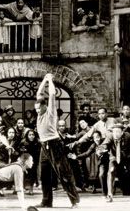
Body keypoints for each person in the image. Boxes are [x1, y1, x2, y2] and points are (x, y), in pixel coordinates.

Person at [34, 73, 79, 208]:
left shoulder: (50, 112)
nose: (37, 111)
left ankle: (74, 201)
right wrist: (44, 79)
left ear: (44, 106)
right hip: (44, 145)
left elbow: (52, 95)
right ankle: (46, 201)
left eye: (39, 108)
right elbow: (39, 92)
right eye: (36, 109)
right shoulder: (39, 111)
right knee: (44, 175)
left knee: (63, 173)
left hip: (54, 144)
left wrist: (50, 80)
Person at [19, 130, 41, 195]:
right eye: (30, 135)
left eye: (33, 135)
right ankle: (22, 187)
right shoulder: (23, 142)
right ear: (27, 135)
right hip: (25, 159)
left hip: (34, 160)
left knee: (33, 174)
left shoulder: (37, 142)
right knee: (24, 173)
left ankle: (31, 188)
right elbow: (20, 150)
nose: (31, 136)